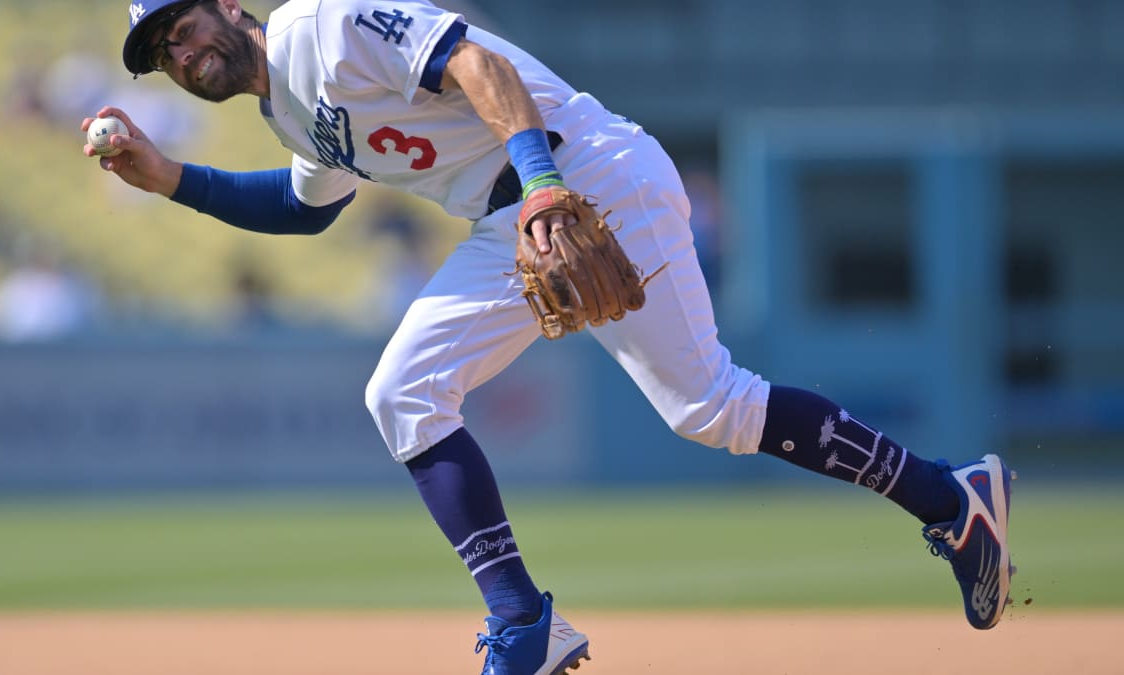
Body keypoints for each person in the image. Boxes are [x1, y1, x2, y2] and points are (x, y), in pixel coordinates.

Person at [84, 1, 1014, 672]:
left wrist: (540, 186)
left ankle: (946, 496)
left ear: (228, 7)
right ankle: (524, 619)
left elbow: (476, 68)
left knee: (712, 406)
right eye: (162, 49)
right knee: (405, 391)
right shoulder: (286, 106)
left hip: (578, 169)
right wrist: (167, 177)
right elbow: (301, 208)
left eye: (184, 22)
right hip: (512, 214)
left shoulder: (320, 28)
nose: (181, 48)